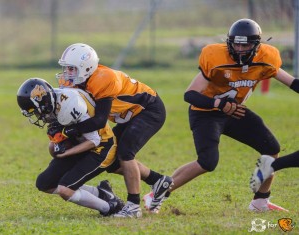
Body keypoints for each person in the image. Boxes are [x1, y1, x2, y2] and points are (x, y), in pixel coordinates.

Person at [144, 18, 299, 213]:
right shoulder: (216, 57)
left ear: (257, 45)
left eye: (246, 44)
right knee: (207, 162)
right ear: (229, 42)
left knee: (271, 148)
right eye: (237, 43)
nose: (241, 49)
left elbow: (292, 82)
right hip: (205, 113)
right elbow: (190, 95)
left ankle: (260, 201)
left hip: (234, 112)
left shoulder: (266, 58)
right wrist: (218, 104)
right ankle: (156, 194)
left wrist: (227, 107)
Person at [55, 43, 173, 218]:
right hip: (129, 115)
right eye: (66, 69)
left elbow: (100, 120)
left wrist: (71, 130)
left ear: (86, 67)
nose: (67, 74)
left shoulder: (103, 78)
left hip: (148, 110)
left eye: (72, 69)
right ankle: (157, 180)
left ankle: (133, 206)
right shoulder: (83, 82)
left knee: (125, 153)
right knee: (111, 159)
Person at [17, 77, 126, 216]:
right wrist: (55, 146)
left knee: (65, 189)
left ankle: (111, 207)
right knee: (45, 183)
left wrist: (66, 153)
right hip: (80, 142)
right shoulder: (53, 103)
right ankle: (101, 193)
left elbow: (94, 140)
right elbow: (65, 138)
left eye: (36, 111)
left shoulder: (69, 105)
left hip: (101, 147)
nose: (37, 116)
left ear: (43, 101)